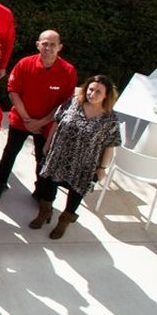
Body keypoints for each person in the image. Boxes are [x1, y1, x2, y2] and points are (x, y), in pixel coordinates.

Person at [31, 76, 120, 240]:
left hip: (85, 164)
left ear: (106, 95)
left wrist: (102, 168)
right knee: (48, 184)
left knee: (76, 192)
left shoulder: (110, 119)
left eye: (98, 92)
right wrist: (47, 144)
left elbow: (110, 144)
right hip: (58, 156)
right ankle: (45, 212)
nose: (92, 94)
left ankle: (64, 221)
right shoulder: (73, 103)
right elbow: (57, 122)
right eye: (91, 89)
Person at [0, 30, 77, 199]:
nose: (48, 48)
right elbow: (13, 92)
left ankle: (40, 191)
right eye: (45, 44)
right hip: (21, 120)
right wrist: (27, 120)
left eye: (53, 44)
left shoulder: (68, 71)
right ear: (38, 45)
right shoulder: (24, 64)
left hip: (47, 125)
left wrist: (40, 123)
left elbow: (64, 105)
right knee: (10, 153)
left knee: (43, 158)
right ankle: (0, 183)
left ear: (60, 47)